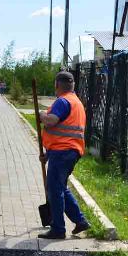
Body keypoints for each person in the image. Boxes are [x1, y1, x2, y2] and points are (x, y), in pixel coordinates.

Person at [37, 70, 90, 239]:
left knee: (54, 190)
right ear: (72, 85)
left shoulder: (62, 101)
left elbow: (52, 121)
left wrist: (41, 115)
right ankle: (80, 221)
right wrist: (49, 154)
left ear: (57, 85)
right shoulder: (76, 102)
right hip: (69, 152)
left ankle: (58, 229)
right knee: (61, 188)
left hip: (63, 153)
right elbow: (64, 132)